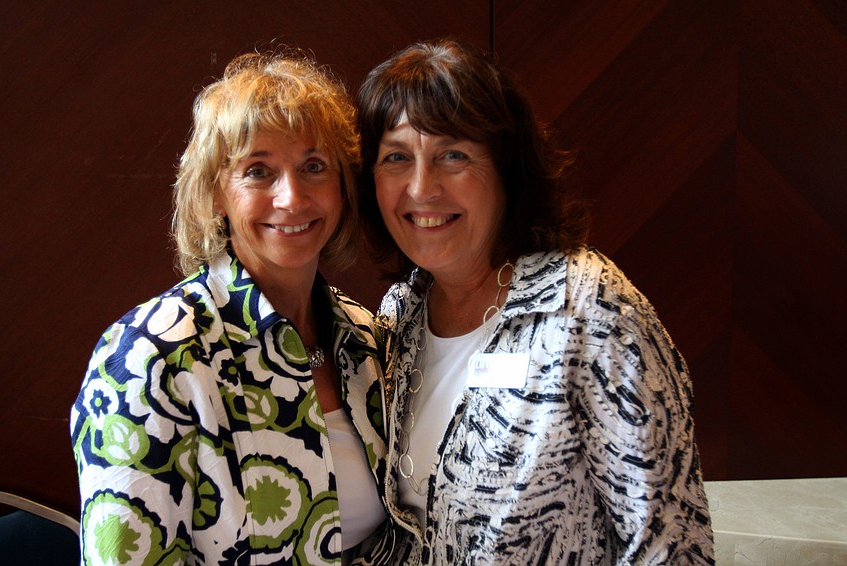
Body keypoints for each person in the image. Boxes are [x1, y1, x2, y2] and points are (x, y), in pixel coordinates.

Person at [357, 39, 714, 564]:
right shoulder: (399, 317)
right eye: (396, 158)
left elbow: (668, 544)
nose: (421, 187)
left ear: (506, 170)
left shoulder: (588, 310)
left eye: (453, 154)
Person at [71, 50, 395, 565]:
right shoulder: (149, 358)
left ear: (343, 186)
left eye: (314, 166)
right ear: (217, 193)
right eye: (258, 171)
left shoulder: (366, 339)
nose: (291, 198)